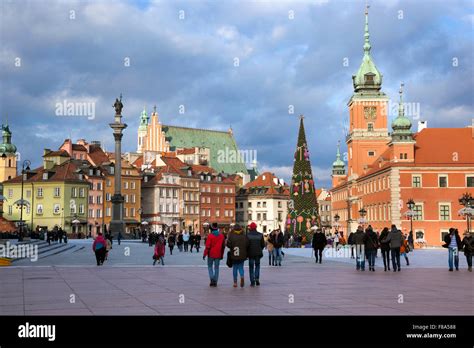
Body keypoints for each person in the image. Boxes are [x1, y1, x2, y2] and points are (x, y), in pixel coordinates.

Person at [203, 223, 225, 287]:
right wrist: (222, 255)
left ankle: (212, 279)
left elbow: (207, 246)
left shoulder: (210, 236)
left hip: (211, 254)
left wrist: (205, 254)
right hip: (218, 254)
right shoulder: (221, 236)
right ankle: (215, 281)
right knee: (217, 268)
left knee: (210, 267)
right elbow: (223, 246)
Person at [247, 222, 265, 286]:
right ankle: (257, 279)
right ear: (256, 227)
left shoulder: (248, 235)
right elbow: (263, 245)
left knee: (251, 267)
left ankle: (252, 281)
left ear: (250, 228)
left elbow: (246, 245)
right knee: (257, 266)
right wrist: (260, 249)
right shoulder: (260, 235)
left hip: (250, 253)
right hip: (258, 253)